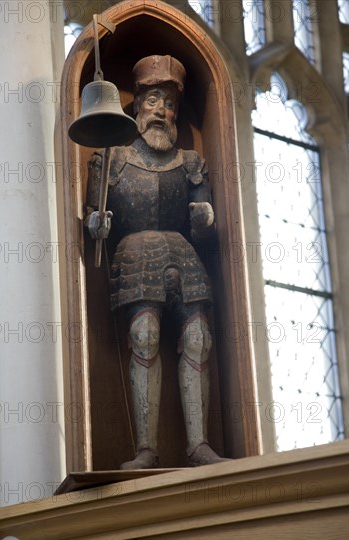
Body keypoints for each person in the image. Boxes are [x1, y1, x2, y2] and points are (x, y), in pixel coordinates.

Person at [86, 55, 226, 468]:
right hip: (135, 254)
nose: (161, 111)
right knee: (144, 335)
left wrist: (205, 219)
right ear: (136, 107)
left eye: (169, 104)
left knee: (199, 340)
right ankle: (146, 448)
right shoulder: (111, 161)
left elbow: (203, 221)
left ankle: (198, 444)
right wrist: (97, 222)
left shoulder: (191, 164)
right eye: (152, 101)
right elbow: (96, 216)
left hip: (183, 255)